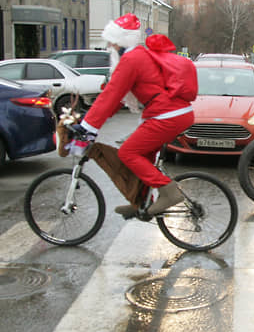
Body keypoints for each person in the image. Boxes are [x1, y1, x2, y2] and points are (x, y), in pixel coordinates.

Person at [71, 13, 195, 217]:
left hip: (168, 114)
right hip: (170, 113)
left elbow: (112, 94)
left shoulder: (132, 58)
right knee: (142, 158)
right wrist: (89, 120)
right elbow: (115, 98)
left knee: (128, 152)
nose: (110, 46)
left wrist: (87, 127)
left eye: (112, 41)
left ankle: (169, 192)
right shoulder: (135, 56)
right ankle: (140, 202)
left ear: (121, 40)